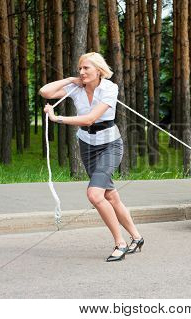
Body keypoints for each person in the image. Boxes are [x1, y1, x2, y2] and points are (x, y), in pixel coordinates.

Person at [39, 52, 144, 262]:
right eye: (80, 68)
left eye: (86, 68)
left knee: (95, 195)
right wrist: (70, 80)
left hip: (110, 146)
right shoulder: (75, 87)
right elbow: (45, 91)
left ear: (98, 70)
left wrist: (56, 117)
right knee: (110, 196)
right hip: (87, 146)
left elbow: (90, 119)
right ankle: (137, 237)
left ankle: (120, 243)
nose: (81, 72)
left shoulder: (109, 88)